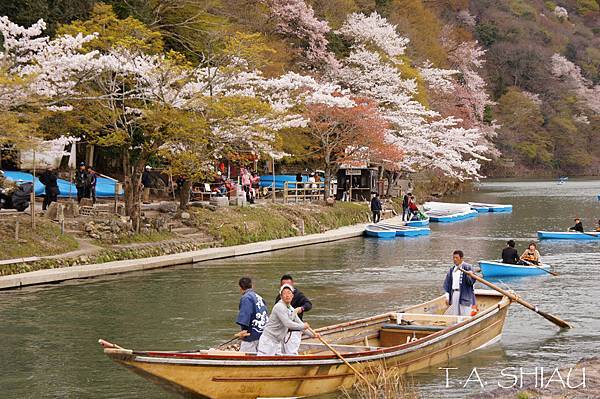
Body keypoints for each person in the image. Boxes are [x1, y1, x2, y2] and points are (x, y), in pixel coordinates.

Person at [257, 284, 314, 356]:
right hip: (268, 340)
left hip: (277, 341)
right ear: (281, 296)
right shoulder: (279, 306)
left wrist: (313, 335)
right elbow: (288, 324)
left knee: (277, 363)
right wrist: (303, 326)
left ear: (292, 296)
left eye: (289, 293)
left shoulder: (291, 309)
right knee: (263, 362)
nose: (287, 295)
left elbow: (299, 322)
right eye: (284, 293)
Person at [273, 275, 313, 355]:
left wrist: (301, 309)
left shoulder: (298, 295)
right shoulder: (279, 299)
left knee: (291, 353)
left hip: (294, 332)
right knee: (281, 354)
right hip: (282, 331)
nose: (287, 293)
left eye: (289, 286)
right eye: (284, 286)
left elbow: (308, 304)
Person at [235, 277, 269, 353]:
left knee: (244, 358)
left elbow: (245, 316)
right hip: (263, 332)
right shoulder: (259, 297)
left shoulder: (246, 298)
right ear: (252, 286)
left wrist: (244, 331)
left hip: (252, 335)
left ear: (240, 288)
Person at [443, 250, 476, 316]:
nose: (455, 259)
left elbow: (471, 282)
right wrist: (447, 296)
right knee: (455, 314)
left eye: (457, 258)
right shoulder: (452, 269)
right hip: (454, 293)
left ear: (461, 258)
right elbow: (447, 284)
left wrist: (470, 275)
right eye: (453, 258)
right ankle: (456, 325)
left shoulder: (467, 267)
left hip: (464, 294)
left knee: (465, 313)